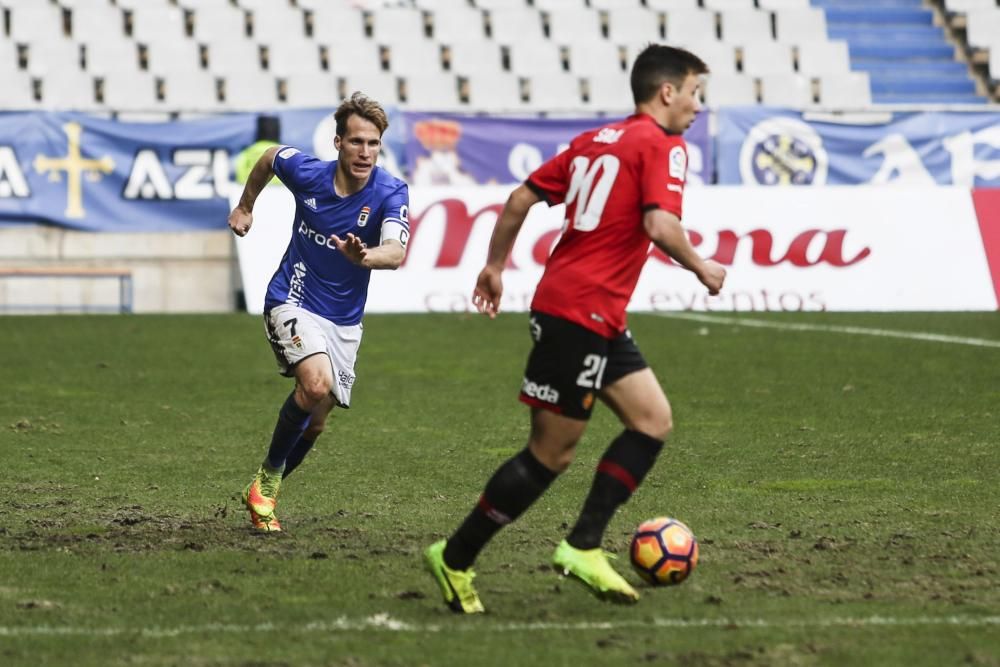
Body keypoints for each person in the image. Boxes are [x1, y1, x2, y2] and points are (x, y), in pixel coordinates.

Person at [424, 45, 726, 613]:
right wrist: (703, 265)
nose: (697, 107)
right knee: (550, 455)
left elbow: (520, 198)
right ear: (667, 93)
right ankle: (455, 556)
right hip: (577, 314)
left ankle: (584, 544)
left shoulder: (595, 142)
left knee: (652, 420)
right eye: (695, 93)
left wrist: (494, 266)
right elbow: (660, 224)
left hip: (592, 313)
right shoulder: (665, 145)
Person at [229, 92, 409, 532]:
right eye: (356, 142)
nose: (365, 152)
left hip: (343, 321)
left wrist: (363, 257)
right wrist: (246, 205)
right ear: (338, 143)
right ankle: (268, 484)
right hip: (292, 297)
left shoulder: (390, 191)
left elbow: (396, 251)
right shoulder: (309, 174)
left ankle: (261, 490)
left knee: (317, 422)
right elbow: (270, 157)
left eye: (373, 143)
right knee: (314, 384)